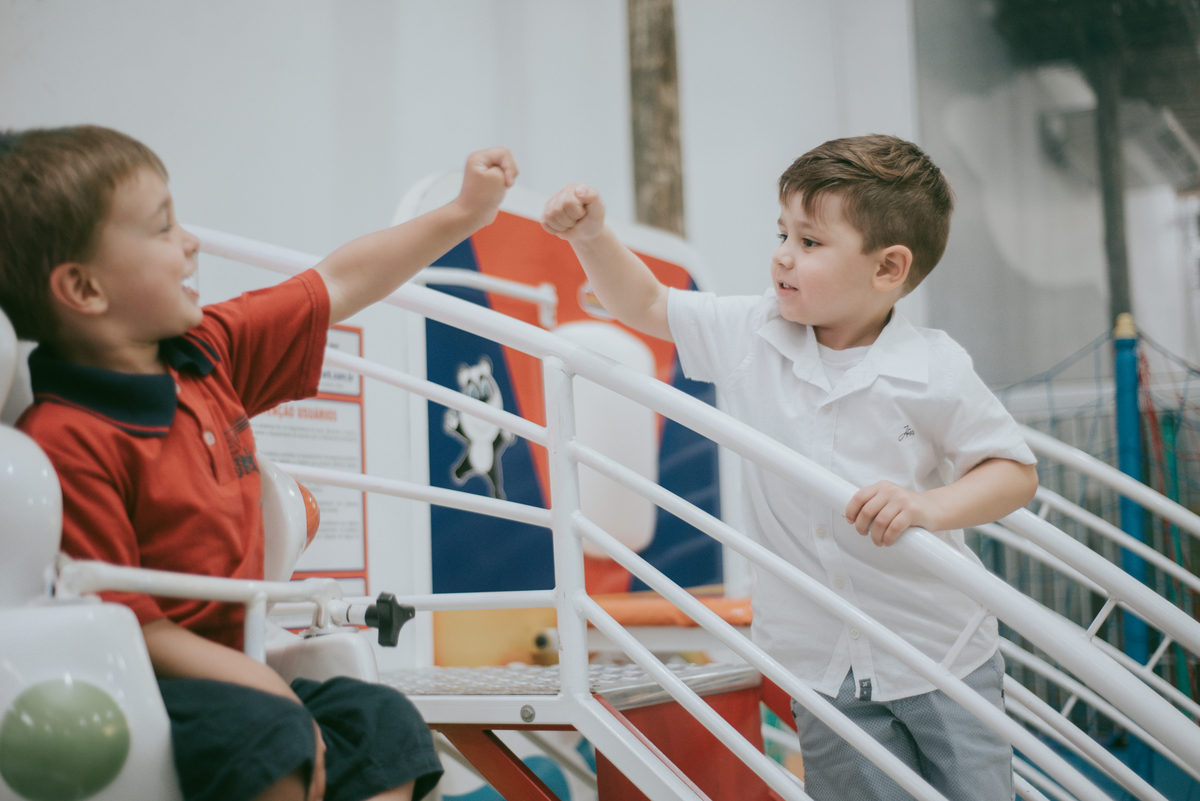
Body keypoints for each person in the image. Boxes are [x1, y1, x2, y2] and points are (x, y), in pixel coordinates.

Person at [0, 124, 519, 801]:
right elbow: (128, 622)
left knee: (384, 723)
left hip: (246, 671)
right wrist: (261, 683)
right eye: (163, 228)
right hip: (148, 682)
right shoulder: (64, 437)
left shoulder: (205, 353)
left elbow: (338, 281)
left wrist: (465, 212)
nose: (190, 241)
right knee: (271, 732)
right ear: (84, 288)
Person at [541, 134, 1038, 800]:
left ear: (888, 268)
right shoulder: (753, 332)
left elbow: (1012, 470)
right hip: (819, 662)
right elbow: (647, 304)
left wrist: (927, 506)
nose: (782, 255)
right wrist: (593, 237)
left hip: (938, 647)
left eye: (810, 241)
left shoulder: (934, 367)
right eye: (782, 233)